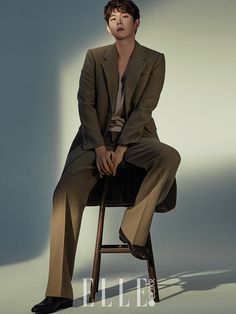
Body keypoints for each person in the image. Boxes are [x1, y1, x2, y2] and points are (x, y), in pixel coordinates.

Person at [31, 0, 181, 312]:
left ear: (137, 23)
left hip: (137, 139)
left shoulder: (154, 59)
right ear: (107, 25)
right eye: (113, 18)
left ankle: (132, 229)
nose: (119, 22)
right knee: (63, 194)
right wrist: (100, 148)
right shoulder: (94, 57)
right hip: (93, 141)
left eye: (125, 16)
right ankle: (58, 292)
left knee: (169, 156)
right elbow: (85, 103)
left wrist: (122, 148)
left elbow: (145, 108)